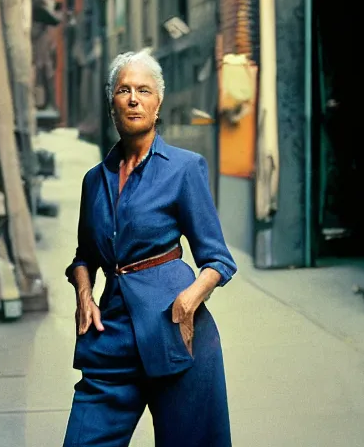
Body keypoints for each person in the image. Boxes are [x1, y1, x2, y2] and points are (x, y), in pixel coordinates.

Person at [62, 50, 237, 447]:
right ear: (112, 105)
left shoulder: (184, 168)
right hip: (112, 333)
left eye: (144, 90)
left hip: (175, 332)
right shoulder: (94, 181)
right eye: (124, 90)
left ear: (158, 104)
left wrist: (189, 300)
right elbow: (83, 256)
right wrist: (84, 295)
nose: (133, 98)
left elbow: (218, 259)